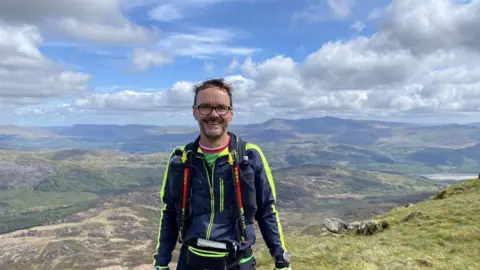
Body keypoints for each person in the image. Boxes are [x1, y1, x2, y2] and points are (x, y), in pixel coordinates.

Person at [152, 78, 291, 270]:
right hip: (190, 262)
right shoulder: (181, 159)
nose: (213, 114)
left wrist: (281, 259)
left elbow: (267, 210)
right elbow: (170, 212)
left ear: (231, 114)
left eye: (221, 108)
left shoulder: (249, 157)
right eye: (205, 107)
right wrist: (161, 262)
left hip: (238, 262)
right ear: (195, 112)